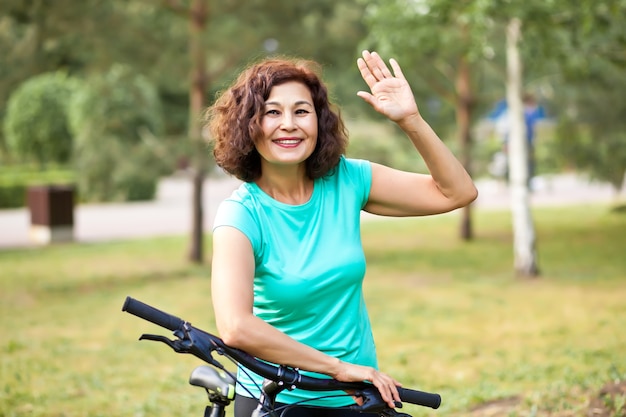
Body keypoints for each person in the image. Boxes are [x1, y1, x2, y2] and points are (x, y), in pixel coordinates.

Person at [206, 50, 477, 417]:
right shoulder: (241, 216)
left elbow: (457, 192)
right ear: (248, 124)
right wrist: (338, 368)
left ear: (319, 121)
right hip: (278, 399)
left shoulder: (347, 180)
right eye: (272, 112)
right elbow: (236, 328)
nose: (289, 124)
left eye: (302, 111)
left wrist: (410, 120)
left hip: (358, 396)